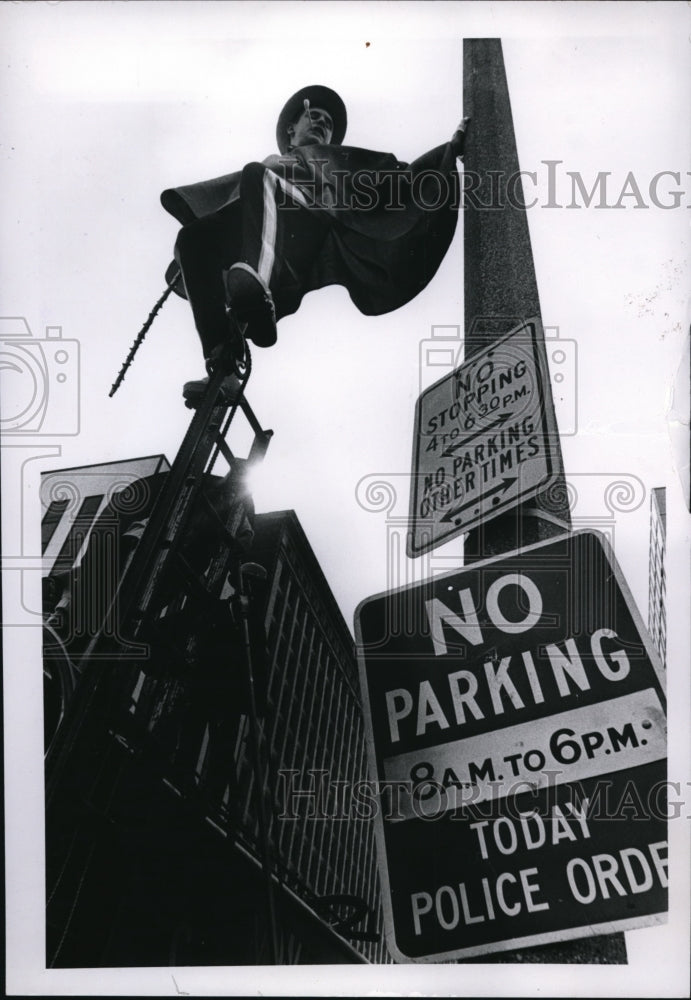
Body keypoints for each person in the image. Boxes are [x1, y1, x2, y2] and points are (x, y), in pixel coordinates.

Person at [160, 85, 467, 399]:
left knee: (260, 176)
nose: (322, 123)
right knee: (192, 239)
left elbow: (396, 178)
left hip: (303, 238)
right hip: (256, 244)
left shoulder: (334, 161)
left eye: (329, 123)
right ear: (292, 130)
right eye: (315, 116)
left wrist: (448, 150)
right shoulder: (273, 163)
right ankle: (222, 361)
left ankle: (258, 290)